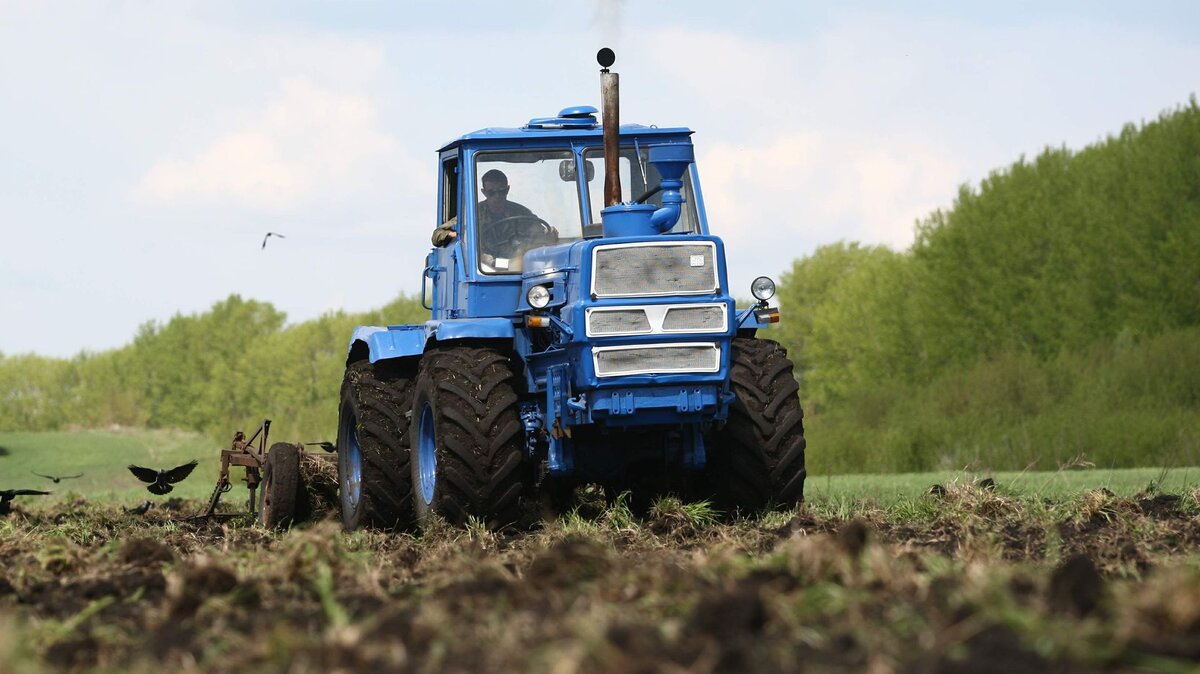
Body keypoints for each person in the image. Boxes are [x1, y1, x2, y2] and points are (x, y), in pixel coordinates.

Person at [431, 169, 557, 263]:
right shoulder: (472, 213)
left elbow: (539, 236)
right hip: (485, 269)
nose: (497, 196)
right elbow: (437, 235)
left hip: (517, 267)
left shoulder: (522, 213)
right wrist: (457, 235)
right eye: (492, 192)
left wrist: (549, 236)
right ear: (484, 192)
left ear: (507, 190)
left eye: (501, 191)